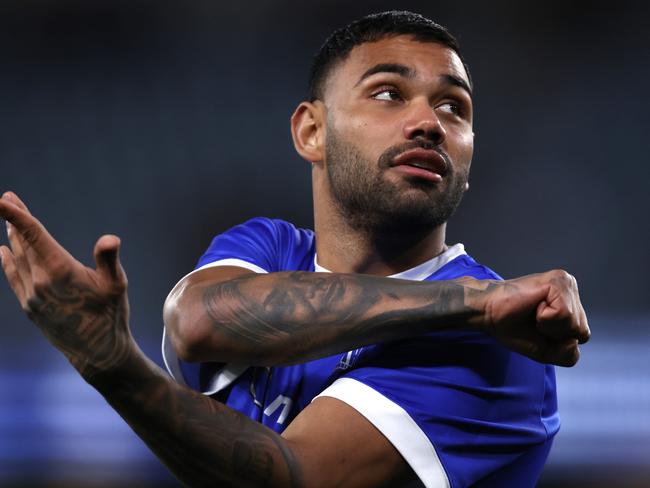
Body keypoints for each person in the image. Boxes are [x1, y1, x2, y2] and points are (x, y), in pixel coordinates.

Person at [0, 10, 589, 488]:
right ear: (311, 131)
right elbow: (199, 322)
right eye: (388, 93)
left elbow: (295, 477)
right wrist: (473, 302)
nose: (428, 122)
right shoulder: (269, 246)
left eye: (453, 107)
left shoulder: (504, 348)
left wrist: (113, 366)